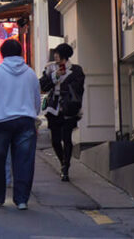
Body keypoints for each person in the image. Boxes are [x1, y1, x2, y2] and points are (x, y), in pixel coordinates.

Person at [0, 39, 41, 210]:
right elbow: (37, 101)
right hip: (26, 121)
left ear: (2, 54)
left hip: (0, 123)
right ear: (21, 53)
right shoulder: (30, 73)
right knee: (24, 161)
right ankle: (21, 200)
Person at [40, 43, 86, 181]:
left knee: (67, 138)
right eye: (55, 53)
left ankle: (66, 167)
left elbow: (79, 88)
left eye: (58, 53)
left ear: (64, 55)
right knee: (55, 140)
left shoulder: (76, 70)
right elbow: (42, 85)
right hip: (53, 108)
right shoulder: (50, 68)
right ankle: (62, 162)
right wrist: (55, 76)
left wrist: (65, 82)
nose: (55, 56)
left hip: (69, 108)